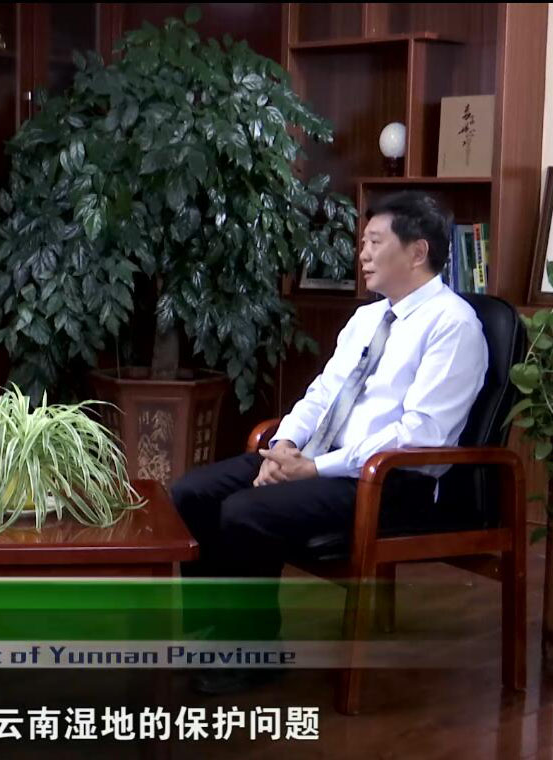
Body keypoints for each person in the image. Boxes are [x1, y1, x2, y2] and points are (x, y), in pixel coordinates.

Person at [171, 191, 489, 694]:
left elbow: (420, 434)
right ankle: (215, 630)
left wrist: (315, 468)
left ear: (417, 251)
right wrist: (284, 445)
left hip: (390, 481)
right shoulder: (368, 318)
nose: (362, 254)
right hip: (321, 460)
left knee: (245, 511)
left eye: (375, 242)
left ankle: (254, 655)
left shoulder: (454, 326)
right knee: (192, 492)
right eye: (363, 243)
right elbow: (322, 393)